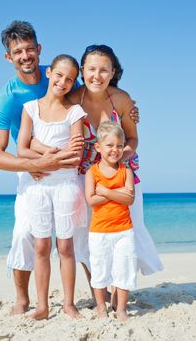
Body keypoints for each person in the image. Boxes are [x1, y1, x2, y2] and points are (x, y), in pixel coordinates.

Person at [0, 20, 139, 315]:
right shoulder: (9, 96)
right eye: (18, 52)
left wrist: (129, 109)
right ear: (9, 57)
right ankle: (23, 298)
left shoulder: (61, 75)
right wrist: (36, 161)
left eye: (30, 49)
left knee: (77, 234)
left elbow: (98, 90)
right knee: (24, 235)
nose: (25, 56)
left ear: (39, 50)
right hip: (31, 167)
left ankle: (97, 292)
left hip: (66, 170)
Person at [68, 45, 163, 307]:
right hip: (84, 176)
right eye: (91, 69)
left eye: (103, 70)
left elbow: (132, 138)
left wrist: (116, 163)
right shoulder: (72, 98)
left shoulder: (121, 99)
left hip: (122, 174)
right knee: (86, 235)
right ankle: (101, 292)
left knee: (129, 231)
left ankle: (120, 294)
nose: (96, 75)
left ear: (113, 73)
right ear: (82, 71)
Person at [16, 54, 87, 320]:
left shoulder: (75, 112)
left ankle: (69, 304)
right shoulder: (30, 108)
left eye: (70, 79)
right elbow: (21, 147)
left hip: (66, 185)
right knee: (41, 246)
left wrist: (41, 148)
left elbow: (76, 155)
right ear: (49, 73)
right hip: (38, 185)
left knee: (66, 247)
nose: (63, 82)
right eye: (59, 75)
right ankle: (42, 306)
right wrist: (45, 152)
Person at [85, 121, 136, 321]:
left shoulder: (126, 171)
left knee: (124, 268)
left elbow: (129, 199)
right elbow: (91, 200)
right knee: (99, 269)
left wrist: (105, 191)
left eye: (119, 145)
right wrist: (119, 192)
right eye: (110, 145)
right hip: (99, 232)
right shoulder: (92, 172)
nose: (115, 150)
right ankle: (101, 309)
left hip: (124, 231)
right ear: (98, 147)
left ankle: (121, 308)